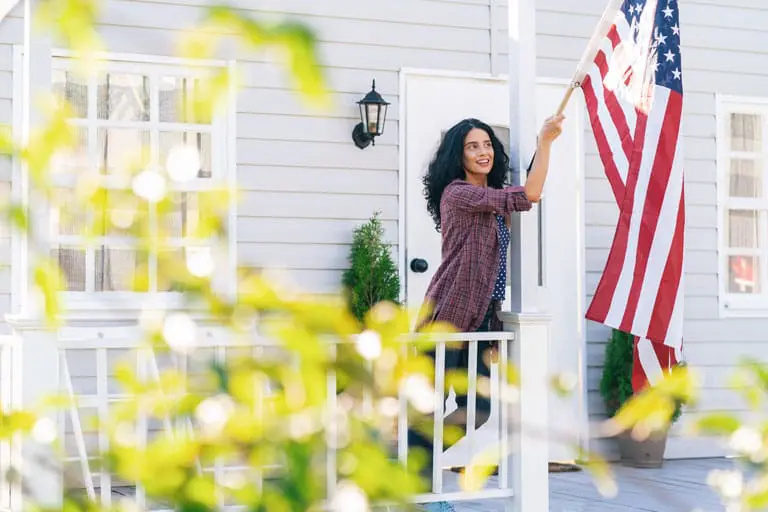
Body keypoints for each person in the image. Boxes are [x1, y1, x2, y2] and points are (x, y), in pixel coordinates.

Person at [410, 115, 564, 511]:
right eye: (472, 147)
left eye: (487, 146)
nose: (483, 153)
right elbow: (529, 194)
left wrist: (493, 329)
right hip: (446, 317)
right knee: (428, 406)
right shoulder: (458, 194)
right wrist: (544, 141)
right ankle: (420, 492)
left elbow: (526, 196)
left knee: (476, 410)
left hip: (480, 320)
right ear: (457, 156)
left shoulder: (490, 199)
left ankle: (410, 468)